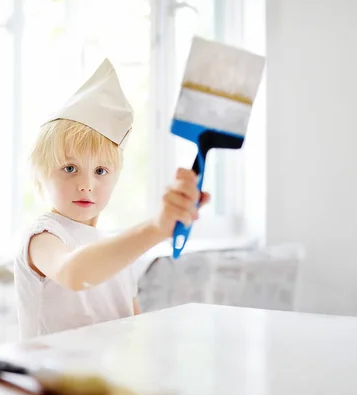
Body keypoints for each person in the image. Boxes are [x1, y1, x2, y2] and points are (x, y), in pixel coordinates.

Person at [14, 59, 210, 339]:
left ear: (116, 177)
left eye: (101, 171)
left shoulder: (115, 252)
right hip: (49, 380)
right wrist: (156, 228)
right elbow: (74, 273)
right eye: (70, 168)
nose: (86, 185)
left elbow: (135, 328)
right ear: (40, 176)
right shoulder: (43, 237)